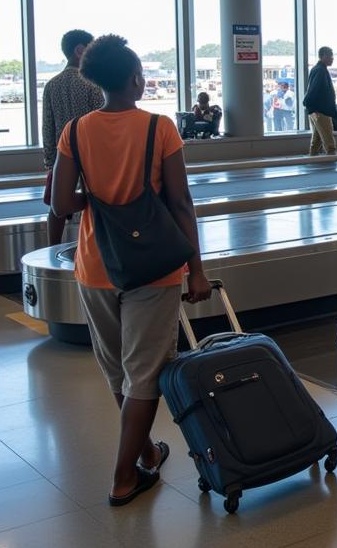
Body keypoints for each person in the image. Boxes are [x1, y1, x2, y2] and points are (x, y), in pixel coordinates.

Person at [50, 35, 211, 506]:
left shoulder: (75, 131)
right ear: (137, 77)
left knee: (117, 366)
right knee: (145, 371)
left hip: (97, 264)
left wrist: (98, 201)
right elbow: (180, 202)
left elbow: (61, 203)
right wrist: (195, 269)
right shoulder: (159, 128)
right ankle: (124, 477)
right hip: (154, 267)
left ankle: (145, 454)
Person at [41, 29, 104, 244]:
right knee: (95, 201)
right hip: (91, 154)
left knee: (56, 207)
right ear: (80, 50)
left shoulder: (51, 85)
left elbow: (47, 126)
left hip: (61, 154)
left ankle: (52, 248)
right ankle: (95, 246)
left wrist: (50, 162)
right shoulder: (92, 83)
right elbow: (100, 120)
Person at [303, 46, 337, 155]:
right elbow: (313, 90)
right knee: (329, 143)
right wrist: (312, 108)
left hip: (315, 110)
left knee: (316, 142)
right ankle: (332, 167)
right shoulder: (320, 71)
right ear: (323, 56)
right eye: (330, 56)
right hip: (320, 111)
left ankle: (313, 162)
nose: (332, 59)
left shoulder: (318, 69)